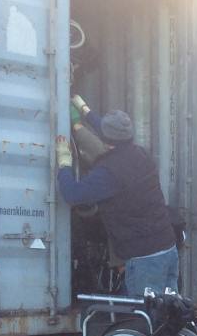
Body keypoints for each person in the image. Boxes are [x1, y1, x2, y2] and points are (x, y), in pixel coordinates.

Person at [56, 110, 177, 296]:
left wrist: (64, 163)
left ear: (106, 138)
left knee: (145, 312)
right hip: (167, 248)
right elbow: (106, 130)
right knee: (169, 309)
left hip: (144, 258)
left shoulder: (109, 173)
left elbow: (73, 194)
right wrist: (85, 110)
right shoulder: (141, 154)